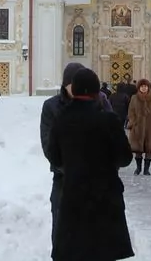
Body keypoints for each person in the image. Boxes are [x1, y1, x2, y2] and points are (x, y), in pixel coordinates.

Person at [45, 67, 135, 261]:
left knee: (75, 251)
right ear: (97, 92)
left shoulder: (62, 120)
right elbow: (125, 158)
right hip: (105, 198)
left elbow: (54, 156)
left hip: (73, 197)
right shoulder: (108, 120)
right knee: (103, 251)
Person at [40, 62, 85, 249]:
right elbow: (49, 145)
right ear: (65, 84)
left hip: (92, 184)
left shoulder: (96, 104)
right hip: (63, 181)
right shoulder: (51, 107)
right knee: (62, 235)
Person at [127, 78, 151, 175]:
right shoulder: (134, 98)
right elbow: (131, 111)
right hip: (137, 127)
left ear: (148, 87)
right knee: (138, 149)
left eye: (145, 86)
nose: (143, 88)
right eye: (142, 86)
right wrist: (133, 122)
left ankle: (146, 170)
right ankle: (138, 168)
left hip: (150, 127)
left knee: (148, 149)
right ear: (139, 87)